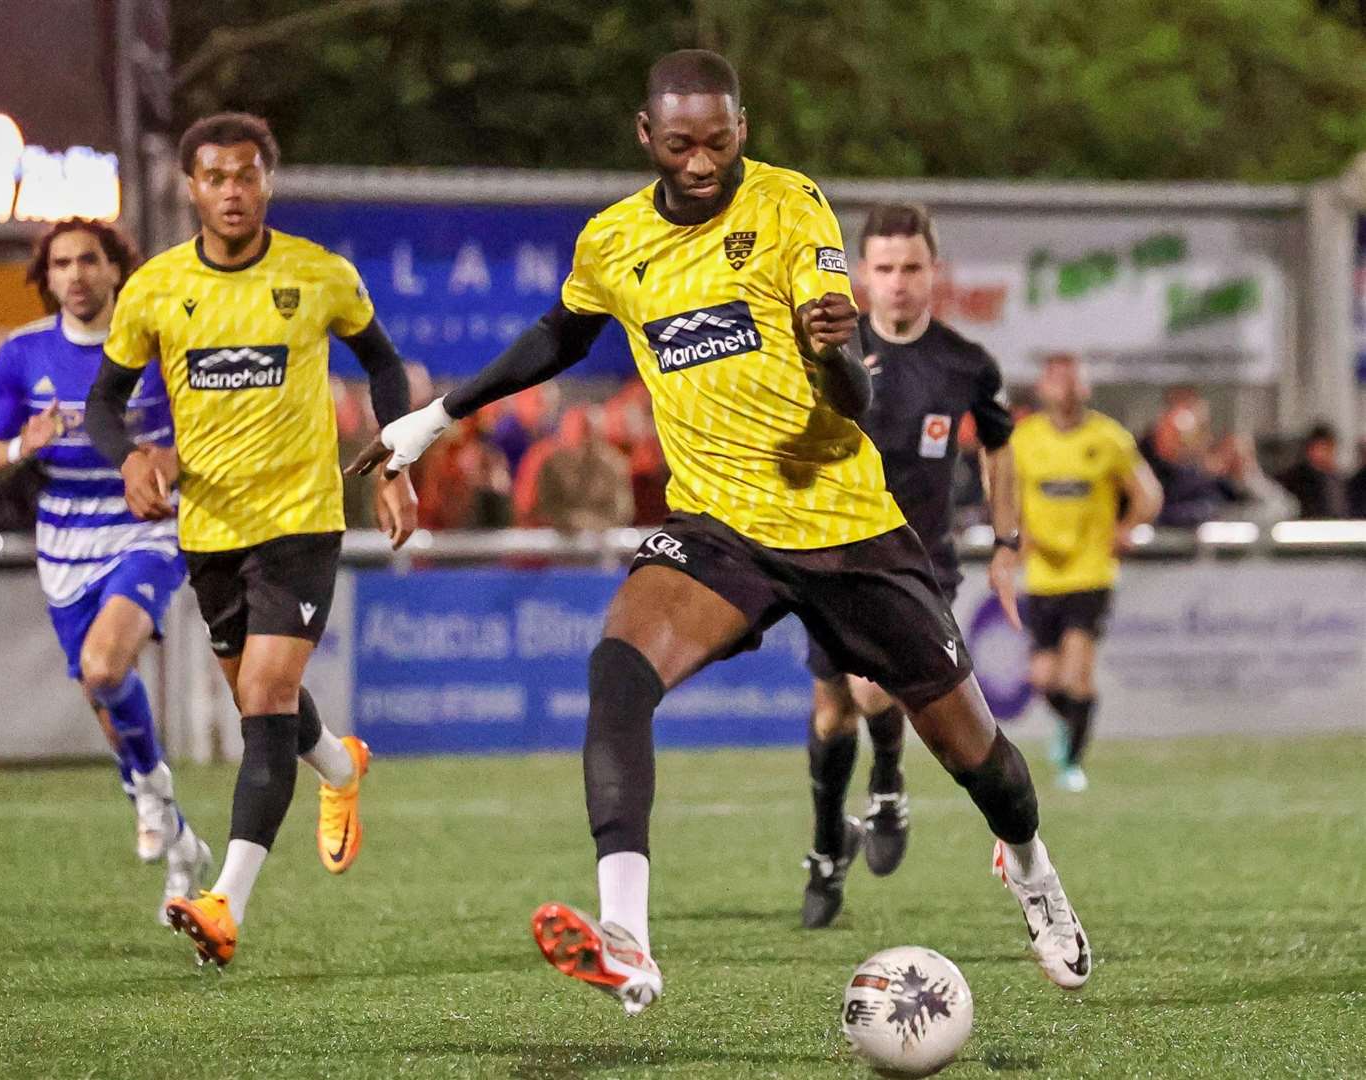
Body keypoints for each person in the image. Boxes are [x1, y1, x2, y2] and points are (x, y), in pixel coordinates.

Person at [353, 51, 1091, 1012]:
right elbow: (560, 335)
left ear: (742, 127)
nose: (701, 161)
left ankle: (1032, 869)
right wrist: (431, 419)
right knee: (617, 669)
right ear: (645, 136)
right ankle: (629, 939)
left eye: (718, 139)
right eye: (679, 142)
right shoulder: (615, 242)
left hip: (846, 525)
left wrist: (834, 353)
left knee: (979, 758)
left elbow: (855, 390)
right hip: (717, 528)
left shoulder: (792, 209)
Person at [83, 112, 418, 968]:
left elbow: (383, 364)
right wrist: (129, 461)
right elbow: (103, 405)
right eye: (215, 178)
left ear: (268, 180)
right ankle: (341, 767)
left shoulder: (318, 275)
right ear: (189, 188)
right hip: (209, 529)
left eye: (247, 175)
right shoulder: (155, 289)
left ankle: (225, 904)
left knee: (265, 698)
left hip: (303, 519)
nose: (232, 191)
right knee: (260, 701)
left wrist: (393, 456)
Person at [0, 218, 210, 921]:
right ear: (47, 278)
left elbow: (200, 433)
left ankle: (153, 797)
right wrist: (22, 442)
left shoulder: (157, 344)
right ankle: (180, 842)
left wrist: (168, 463)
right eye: (61, 264)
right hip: (63, 541)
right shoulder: (21, 354)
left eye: (88, 261)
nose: (74, 274)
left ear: (115, 271)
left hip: (144, 528)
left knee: (105, 668)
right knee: (105, 701)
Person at [798, 203, 1021, 930]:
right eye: (885, 268)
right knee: (832, 711)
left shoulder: (965, 363)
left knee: (871, 690)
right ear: (862, 273)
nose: (898, 283)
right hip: (829, 557)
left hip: (921, 564)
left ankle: (888, 783)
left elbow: (998, 447)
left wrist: (1008, 543)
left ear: (934, 271)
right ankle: (831, 843)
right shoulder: (826, 353)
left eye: (912, 268)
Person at [1011, 354, 1163, 793]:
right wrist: (1015, 532)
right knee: (1043, 679)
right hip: (1042, 575)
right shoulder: (1026, 439)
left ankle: (1072, 765)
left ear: (1085, 388)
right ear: (1042, 387)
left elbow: (1148, 493)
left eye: (1073, 378)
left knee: (1077, 674)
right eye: (1056, 378)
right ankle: (1070, 726)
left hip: (1090, 573)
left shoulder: (1107, 437)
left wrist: (1128, 528)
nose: (1065, 386)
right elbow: (1003, 490)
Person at [530, 405, 635, 532]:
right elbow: (543, 506)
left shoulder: (614, 465)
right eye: (580, 430)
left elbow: (623, 511)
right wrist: (568, 521)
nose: (586, 439)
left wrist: (591, 523)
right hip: (560, 542)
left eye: (589, 431)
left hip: (603, 544)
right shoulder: (552, 463)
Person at [1277, 423, 1348, 519]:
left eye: (1331, 448)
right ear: (1311, 448)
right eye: (1324, 447)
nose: (1329, 453)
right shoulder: (1297, 478)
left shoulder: (1337, 478)